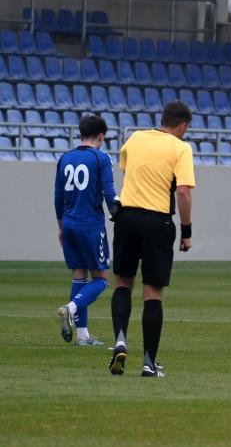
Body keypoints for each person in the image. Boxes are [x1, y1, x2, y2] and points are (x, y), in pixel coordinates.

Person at [107, 101, 195, 378]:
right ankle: (148, 363)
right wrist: (187, 230)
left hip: (127, 217)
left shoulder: (135, 138)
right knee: (152, 293)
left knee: (122, 282)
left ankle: (120, 339)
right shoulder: (181, 148)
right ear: (182, 126)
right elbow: (182, 192)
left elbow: (127, 170)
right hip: (157, 221)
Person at [55, 114, 117, 346]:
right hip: (90, 224)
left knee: (79, 277)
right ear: (101, 136)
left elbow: (58, 196)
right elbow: (109, 192)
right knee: (102, 279)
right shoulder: (101, 158)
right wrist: (117, 214)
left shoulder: (65, 158)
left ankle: (82, 336)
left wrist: (61, 226)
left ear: (81, 134)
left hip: (69, 223)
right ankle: (70, 308)